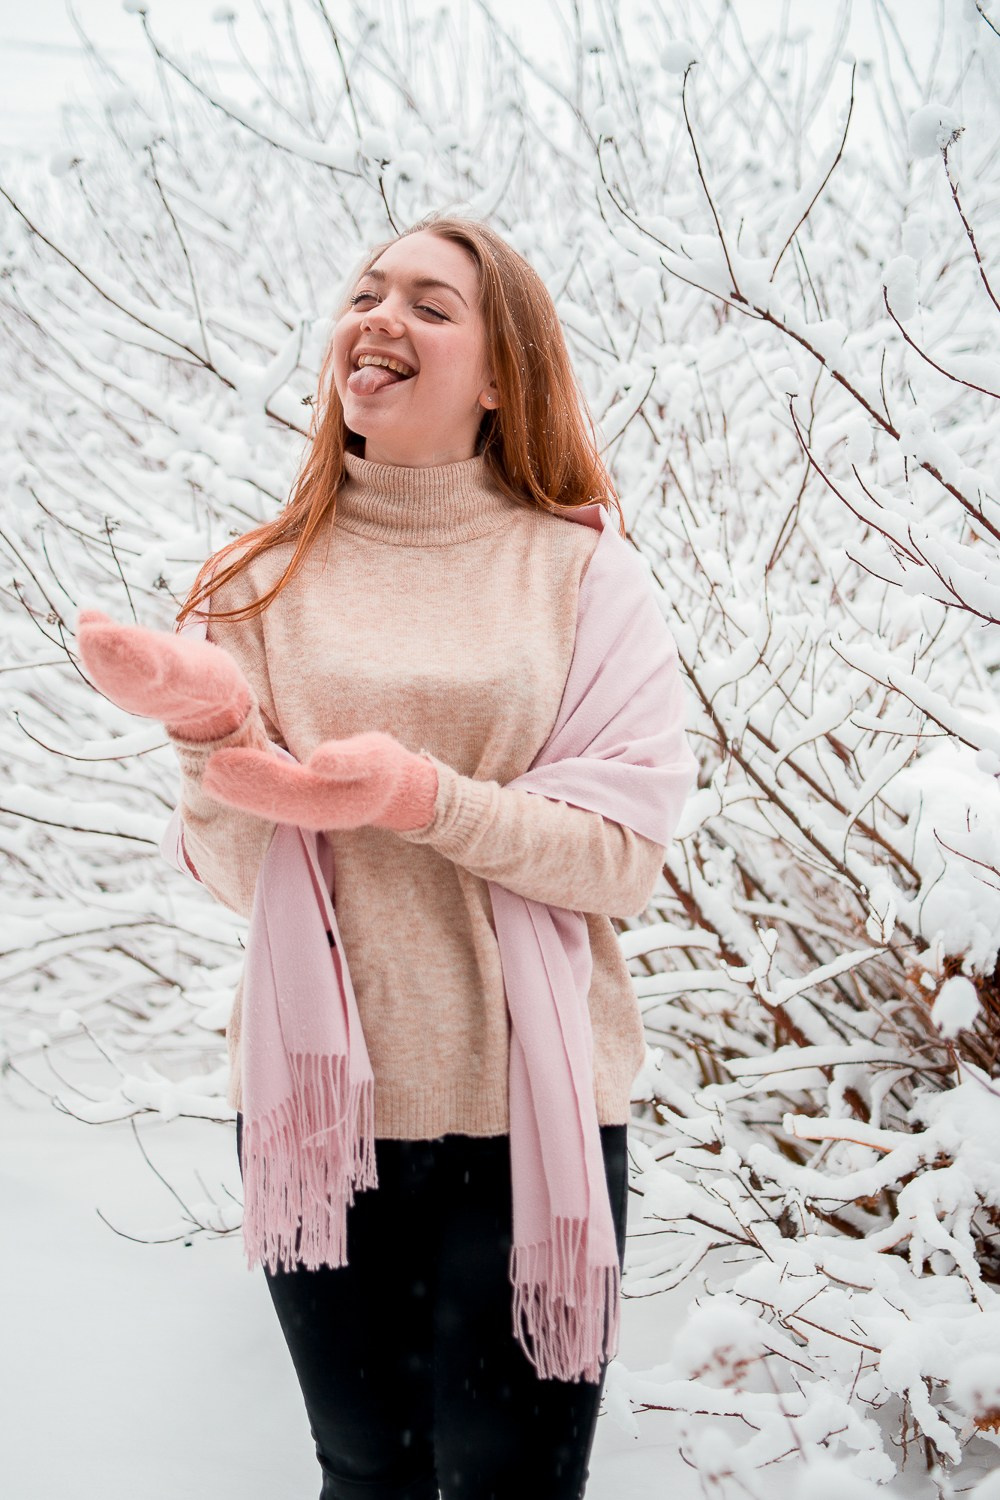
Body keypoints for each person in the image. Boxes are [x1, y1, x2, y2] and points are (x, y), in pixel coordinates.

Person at [76, 211, 697, 1500]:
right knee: (368, 1479)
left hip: (532, 1114)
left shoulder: (583, 576)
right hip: (324, 1121)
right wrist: (209, 738)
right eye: (368, 292)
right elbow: (246, 882)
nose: (381, 318)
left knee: (516, 1487)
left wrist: (422, 799)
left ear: (502, 371)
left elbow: (620, 862)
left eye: (429, 302)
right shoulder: (257, 578)